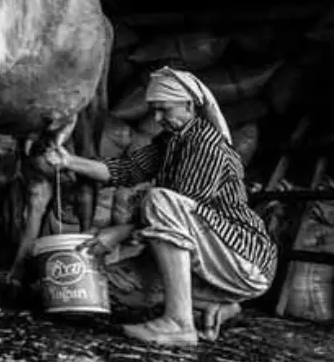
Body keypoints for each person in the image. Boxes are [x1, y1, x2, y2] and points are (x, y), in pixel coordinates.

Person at [44, 66, 277, 347]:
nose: (156, 118)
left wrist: (120, 232)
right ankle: (217, 306)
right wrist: (68, 161)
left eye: (164, 110)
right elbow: (126, 170)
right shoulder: (170, 142)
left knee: (160, 199)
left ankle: (179, 323)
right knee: (115, 286)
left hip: (242, 257)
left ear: (189, 105)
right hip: (208, 260)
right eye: (153, 110)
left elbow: (182, 208)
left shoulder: (207, 146)